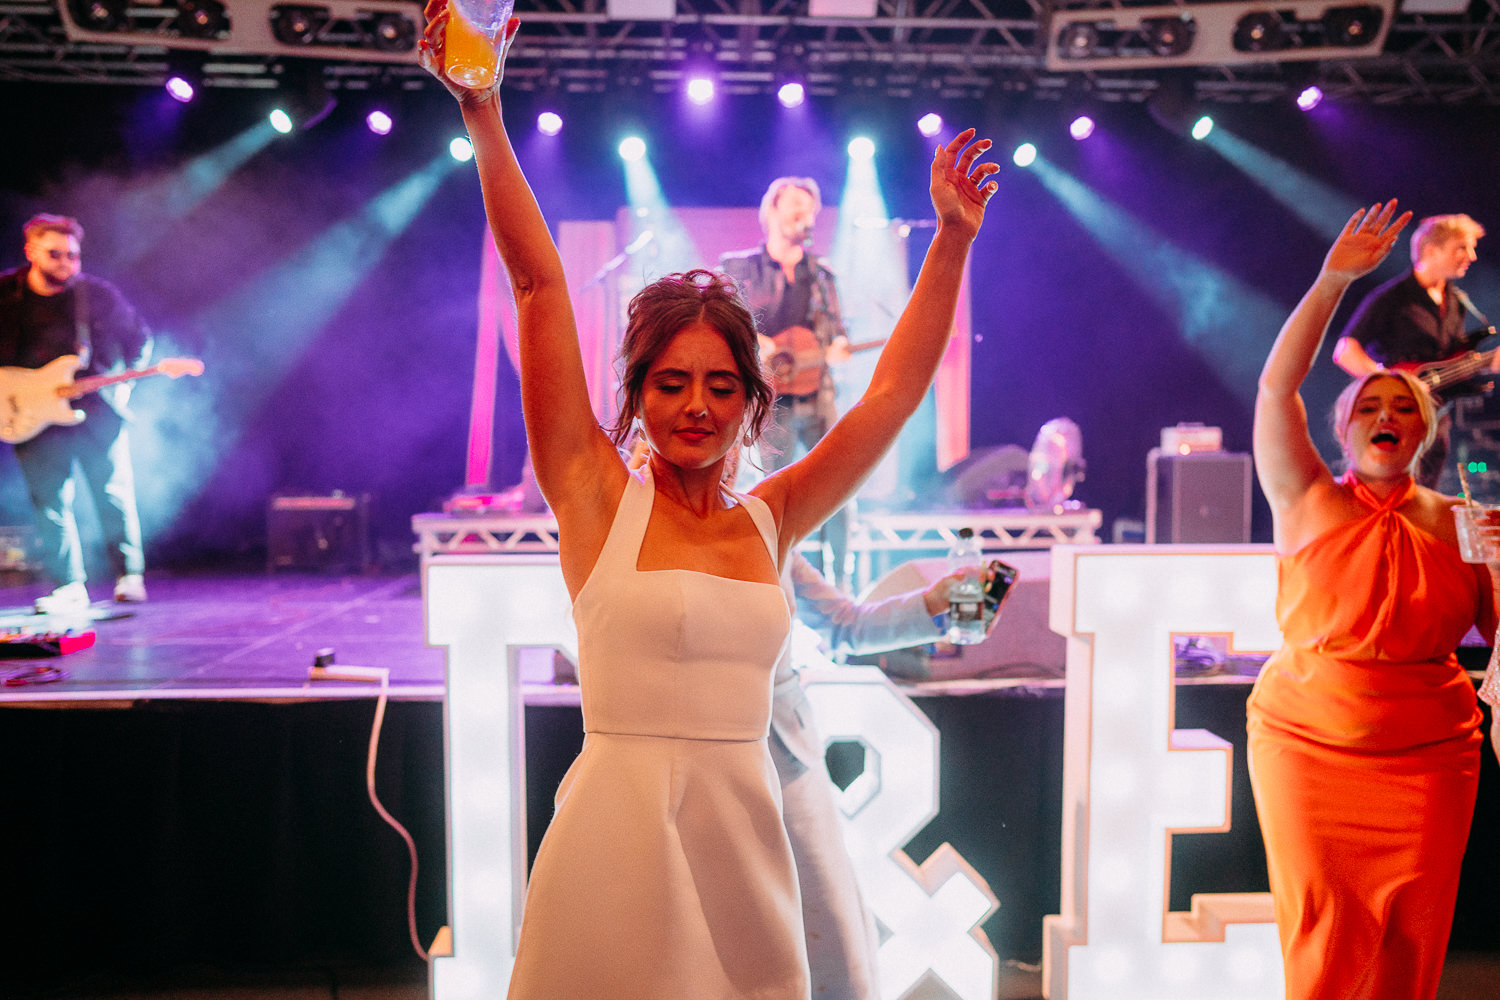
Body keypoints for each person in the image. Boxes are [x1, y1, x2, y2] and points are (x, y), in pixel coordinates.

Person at [417, 7, 998, 998]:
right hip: (613, 846)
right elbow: (538, 287)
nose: (695, 406)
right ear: (638, 394)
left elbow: (894, 393)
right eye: (672, 383)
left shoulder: (773, 518)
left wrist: (950, 241)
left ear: (750, 404)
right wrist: (483, 109)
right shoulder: (597, 498)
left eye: (721, 386)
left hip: (746, 852)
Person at [1249, 200, 1500, 1000]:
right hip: (1308, 747)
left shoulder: (1468, 524)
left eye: (1403, 407)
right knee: (1324, 934)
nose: (1385, 414)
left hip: (1430, 760)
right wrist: (1332, 280)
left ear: (1423, 433)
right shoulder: (1305, 497)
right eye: (1368, 406)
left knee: (1409, 942)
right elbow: (1277, 382)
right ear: (1345, 428)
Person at [774, 552, 960, 999]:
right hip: (681, 751)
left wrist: (933, 602)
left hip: (782, 753)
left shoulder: (768, 516)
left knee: (825, 931)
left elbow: (845, 623)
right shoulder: (637, 516)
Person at [0, 214, 150, 613]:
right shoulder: (6, 294)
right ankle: (68, 585)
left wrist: (124, 381)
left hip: (95, 407)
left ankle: (128, 574)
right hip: (30, 412)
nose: (66, 263)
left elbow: (138, 338)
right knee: (48, 501)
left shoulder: (96, 296)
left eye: (73, 256)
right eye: (55, 255)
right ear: (31, 251)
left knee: (111, 491)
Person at [721, 178, 855, 587]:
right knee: (771, 495)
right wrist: (753, 341)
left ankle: (837, 585)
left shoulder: (822, 276)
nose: (805, 216)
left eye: (811, 209)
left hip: (817, 397)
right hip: (770, 403)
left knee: (838, 487)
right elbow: (719, 318)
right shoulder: (739, 269)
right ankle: (771, 580)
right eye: (796, 206)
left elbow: (836, 331)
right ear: (772, 212)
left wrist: (839, 345)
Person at [1332, 212, 1490, 488]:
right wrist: (1394, 383)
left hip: (1437, 421)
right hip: (1395, 421)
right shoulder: (1393, 297)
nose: (1471, 256)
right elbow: (1345, 349)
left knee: (1425, 495)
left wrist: (1486, 363)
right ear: (1430, 250)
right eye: (1461, 247)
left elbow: (1453, 362)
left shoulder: (1458, 301)